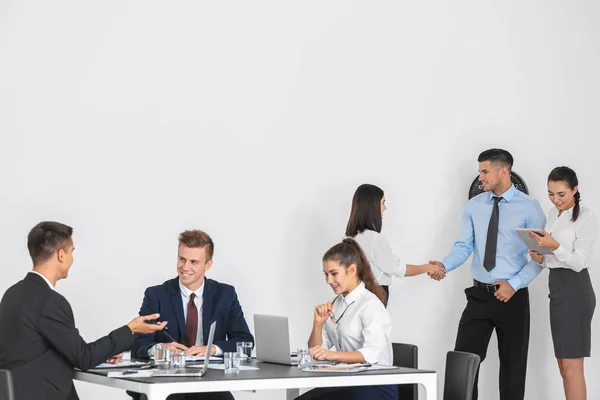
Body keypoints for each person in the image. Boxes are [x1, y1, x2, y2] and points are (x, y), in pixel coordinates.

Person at [428, 149, 546, 400]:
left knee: (513, 369)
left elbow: (540, 258)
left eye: (484, 171)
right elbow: (463, 246)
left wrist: (513, 285)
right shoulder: (474, 206)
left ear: (503, 171)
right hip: (479, 296)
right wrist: (444, 266)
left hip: (513, 298)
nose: (480, 177)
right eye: (480, 171)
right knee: (463, 363)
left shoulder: (529, 208)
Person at [0, 221, 165, 400]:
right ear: (61, 255)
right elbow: (83, 358)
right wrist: (131, 329)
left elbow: (41, 350)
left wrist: (104, 353)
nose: (73, 258)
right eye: (72, 251)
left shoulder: (12, 294)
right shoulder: (50, 301)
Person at [129, 229, 254, 400]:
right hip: (166, 385)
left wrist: (211, 350)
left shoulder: (225, 295)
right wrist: (159, 349)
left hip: (210, 383)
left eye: (194, 262)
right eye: (182, 259)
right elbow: (137, 344)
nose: (185, 267)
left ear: (208, 264)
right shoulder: (156, 295)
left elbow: (245, 341)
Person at [297, 238, 398, 400]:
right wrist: (318, 324)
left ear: (352, 270)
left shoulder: (370, 305)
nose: (329, 281)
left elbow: (371, 354)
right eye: (326, 274)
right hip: (350, 381)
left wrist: (332, 355)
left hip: (375, 385)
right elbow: (315, 352)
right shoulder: (337, 303)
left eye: (334, 274)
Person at [529, 166, 597, 400]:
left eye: (561, 194)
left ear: (575, 189)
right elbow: (556, 260)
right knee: (562, 365)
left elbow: (578, 262)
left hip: (575, 290)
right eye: (550, 193)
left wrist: (553, 246)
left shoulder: (586, 216)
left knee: (571, 367)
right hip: (557, 287)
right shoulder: (552, 214)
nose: (555, 199)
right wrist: (542, 256)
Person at [346, 183, 445, 305]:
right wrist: (427, 267)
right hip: (374, 296)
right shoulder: (374, 239)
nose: (385, 208)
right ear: (372, 206)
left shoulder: (350, 238)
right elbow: (398, 269)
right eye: (383, 203)